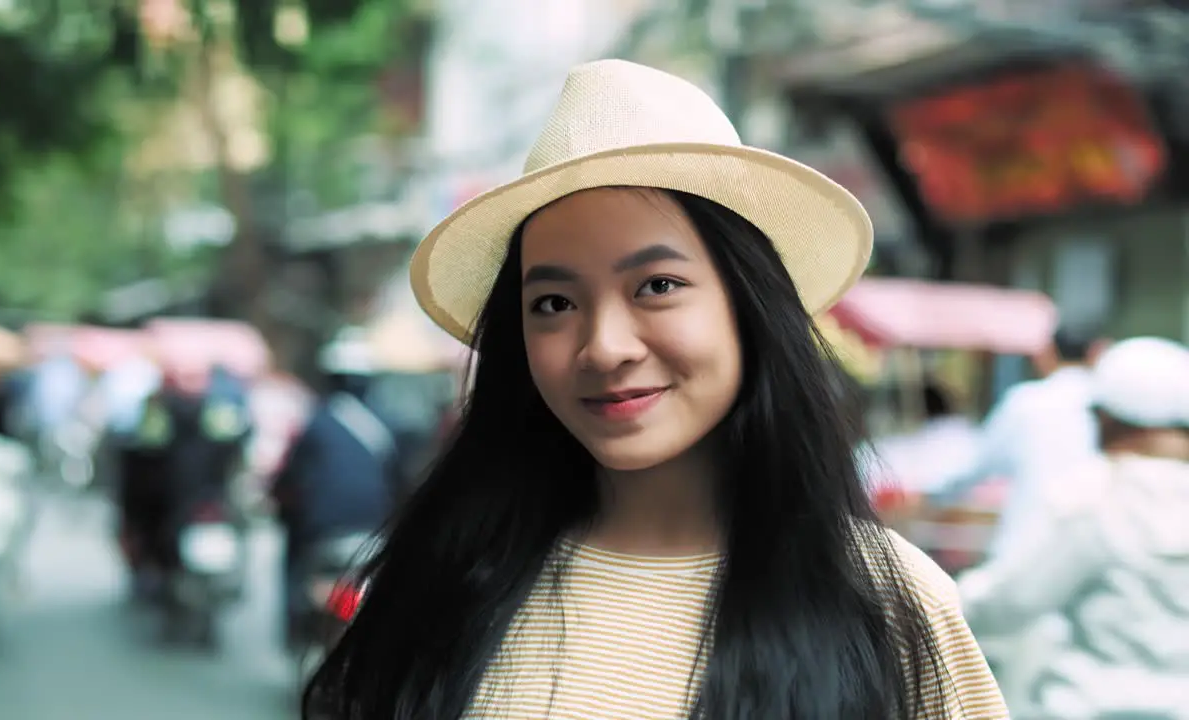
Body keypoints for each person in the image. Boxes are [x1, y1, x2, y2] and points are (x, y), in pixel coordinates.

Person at [303, 59, 1005, 719]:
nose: (604, 346)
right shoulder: (442, 584)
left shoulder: (886, 600)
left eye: (657, 286)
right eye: (552, 302)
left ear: (747, 305)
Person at [958, 337, 1189, 718]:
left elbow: (1011, 601)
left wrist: (930, 600)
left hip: (1091, 706)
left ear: (1108, 418)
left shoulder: (1098, 496)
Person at [929, 325, 1105, 560]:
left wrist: (931, 494)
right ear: (1094, 354)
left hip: (1027, 546)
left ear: (1046, 353)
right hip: (1091, 552)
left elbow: (975, 467)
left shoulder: (1026, 402)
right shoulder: (1107, 406)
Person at [272, 331, 394, 649]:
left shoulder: (316, 422)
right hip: (375, 530)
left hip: (320, 532)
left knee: (297, 570)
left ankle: (296, 630)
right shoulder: (388, 424)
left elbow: (289, 476)